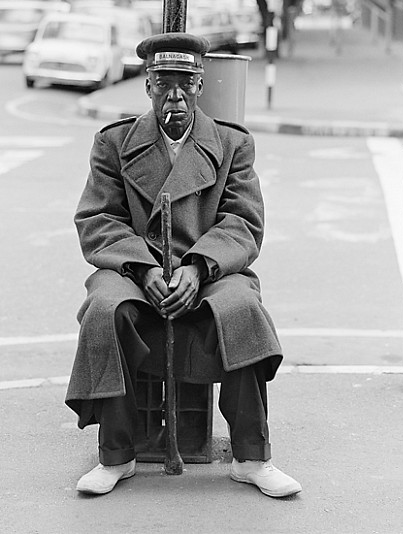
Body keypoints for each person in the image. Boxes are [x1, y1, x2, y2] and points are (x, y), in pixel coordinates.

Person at [65, 32, 301, 498]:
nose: (174, 96)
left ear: (199, 86)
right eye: (163, 83)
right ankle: (117, 455)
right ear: (148, 87)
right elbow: (97, 219)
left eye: (185, 83)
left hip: (208, 271)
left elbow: (243, 221)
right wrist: (143, 268)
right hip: (135, 270)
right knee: (104, 309)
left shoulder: (232, 145)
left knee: (241, 308)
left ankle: (252, 457)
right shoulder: (114, 144)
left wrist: (198, 268)